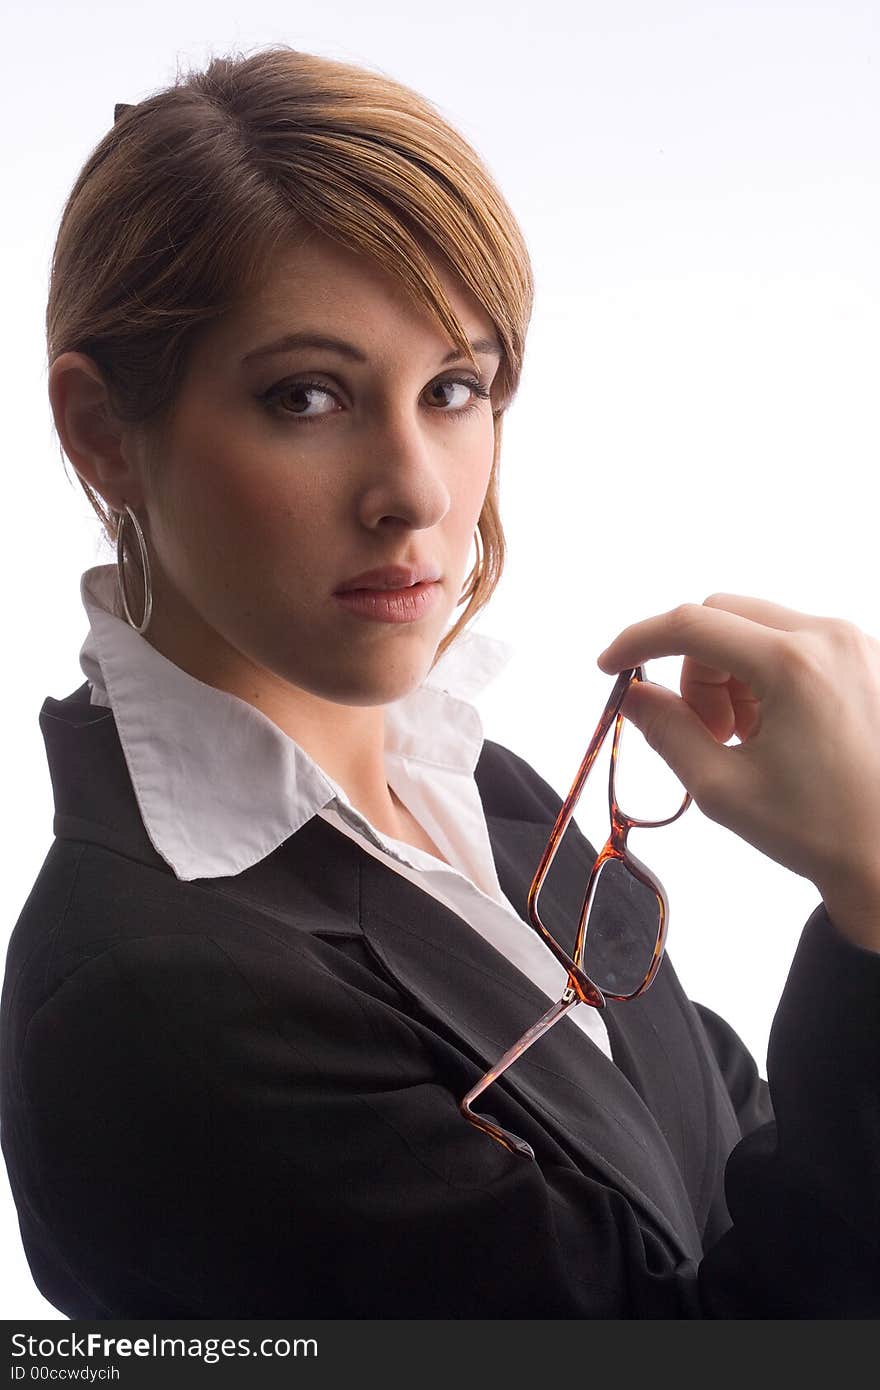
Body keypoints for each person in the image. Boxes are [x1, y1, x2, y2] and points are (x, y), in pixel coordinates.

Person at [1, 43, 878, 1320]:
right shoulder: (157, 1002)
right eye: (307, 395)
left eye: (454, 387)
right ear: (100, 433)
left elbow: (740, 1151)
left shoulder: (471, 783)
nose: (416, 491)